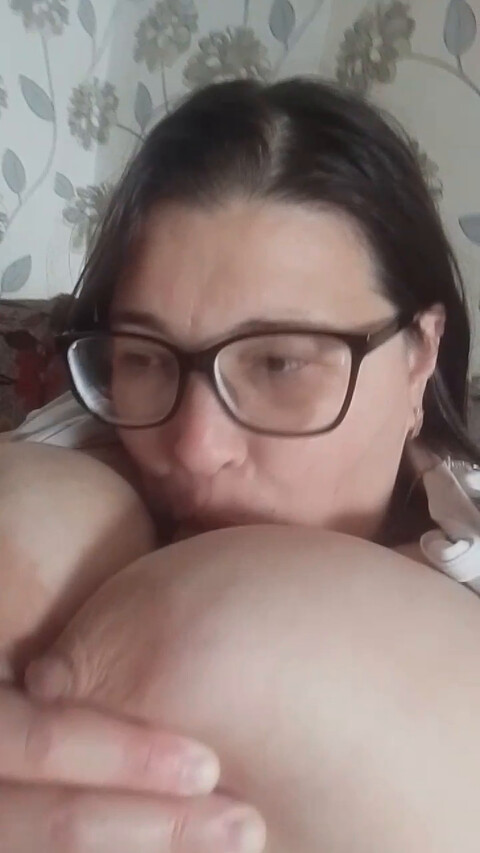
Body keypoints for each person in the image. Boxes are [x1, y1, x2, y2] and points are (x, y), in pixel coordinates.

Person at [2, 77, 480, 851]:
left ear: (419, 354)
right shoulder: (77, 442)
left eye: (281, 362)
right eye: (145, 356)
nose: (194, 446)